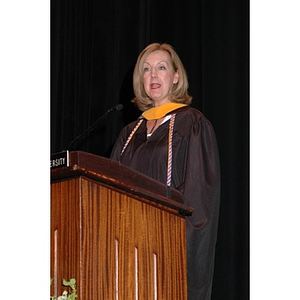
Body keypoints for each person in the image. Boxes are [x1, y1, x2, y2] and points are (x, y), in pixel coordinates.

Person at [110, 42, 220, 300]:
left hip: (167, 243)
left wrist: (180, 245)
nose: (154, 75)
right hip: (128, 245)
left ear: (176, 77)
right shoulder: (129, 133)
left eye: (161, 68)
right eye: (146, 70)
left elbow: (199, 198)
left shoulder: (192, 123)